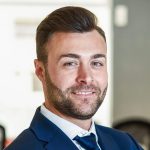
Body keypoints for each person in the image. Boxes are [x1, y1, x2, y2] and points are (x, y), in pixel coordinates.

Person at [4, 6, 143, 150]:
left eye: (96, 63)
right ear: (40, 71)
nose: (86, 77)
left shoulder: (126, 144)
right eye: (70, 63)